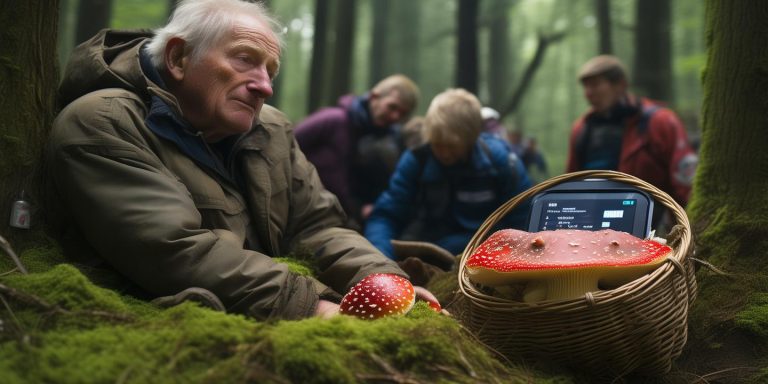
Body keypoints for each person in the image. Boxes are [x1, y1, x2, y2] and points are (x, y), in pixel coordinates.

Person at [44, 0, 436, 321]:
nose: (265, 85)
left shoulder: (271, 128)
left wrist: (383, 279)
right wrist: (311, 305)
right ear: (179, 57)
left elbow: (317, 226)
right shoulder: (103, 122)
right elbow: (174, 250)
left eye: (270, 70)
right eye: (245, 60)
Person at [364, 89, 532, 260]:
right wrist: (381, 261)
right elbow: (386, 215)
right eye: (437, 144)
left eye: (452, 146)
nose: (444, 153)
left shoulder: (500, 162)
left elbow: (525, 219)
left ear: (470, 139)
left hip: (488, 257)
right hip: (427, 254)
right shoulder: (417, 160)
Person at [567, 55, 698, 210]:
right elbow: (570, 183)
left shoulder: (660, 121)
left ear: (620, 85)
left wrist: (688, 224)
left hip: (650, 221)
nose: (588, 93)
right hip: (591, 220)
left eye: (595, 85)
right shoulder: (581, 128)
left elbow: (685, 181)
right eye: (586, 87)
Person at [294, 75, 419, 230]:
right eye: (392, 107)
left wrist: (364, 208)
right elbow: (286, 144)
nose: (395, 116)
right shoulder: (333, 119)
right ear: (374, 97)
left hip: (340, 220)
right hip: (301, 209)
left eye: (402, 114)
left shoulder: (385, 144)